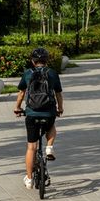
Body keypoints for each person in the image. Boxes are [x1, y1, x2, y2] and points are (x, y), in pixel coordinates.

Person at [14, 47, 63, 189]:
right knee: (51, 127)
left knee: (31, 147)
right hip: (48, 113)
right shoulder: (52, 73)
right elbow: (58, 93)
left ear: (32, 61)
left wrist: (17, 108)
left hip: (31, 114)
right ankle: (49, 147)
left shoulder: (27, 74)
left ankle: (29, 179)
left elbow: (21, 93)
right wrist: (60, 108)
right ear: (46, 60)